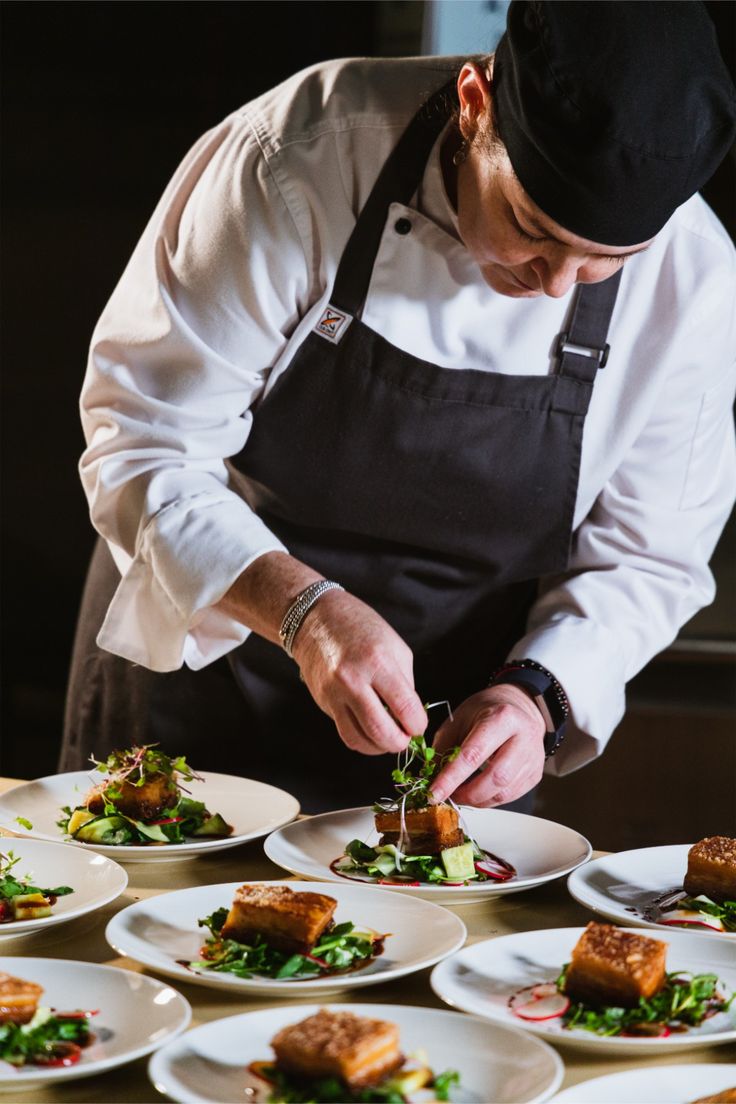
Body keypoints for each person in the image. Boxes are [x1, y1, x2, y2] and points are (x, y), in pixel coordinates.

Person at [61, 1, 736, 812]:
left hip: (455, 735)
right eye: (530, 226)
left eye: (604, 263)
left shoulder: (693, 279)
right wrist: (307, 612)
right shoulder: (293, 161)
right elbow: (144, 441)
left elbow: (648, 556)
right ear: (473, 100)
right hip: (210, 672)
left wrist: (537, 694)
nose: (553, 282)